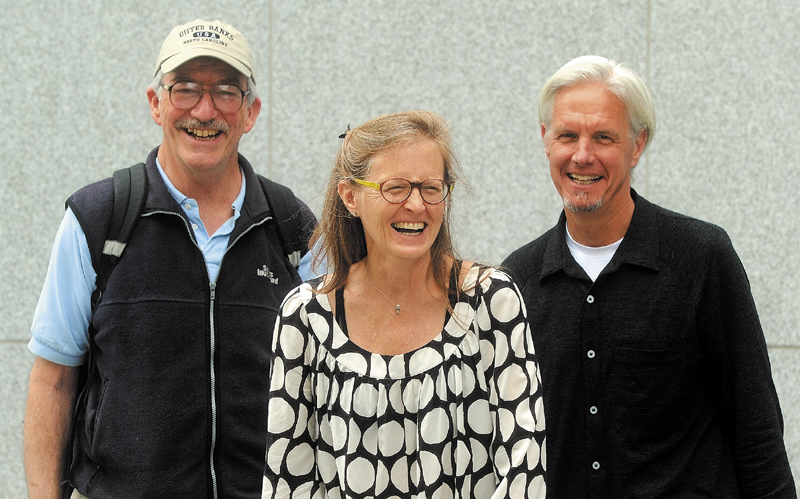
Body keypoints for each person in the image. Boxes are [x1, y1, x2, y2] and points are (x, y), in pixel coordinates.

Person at [24, 19, 316, 499]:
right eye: (185, 89)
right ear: (156, 103)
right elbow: (53, 380)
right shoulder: (99, 220)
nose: (205, 110)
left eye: (226, 91)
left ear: (250, 112)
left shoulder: (294, 228)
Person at [503, 55, 796, 498]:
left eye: (603, 137)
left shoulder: (701, 257)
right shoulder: (517, 281)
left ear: (637, 145)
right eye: (567, 135)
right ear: (545, 139)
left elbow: (755, 426)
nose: (582, 155)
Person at [262, 111, 546, 499]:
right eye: (395, 188)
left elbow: (525, 467)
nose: (416, 205)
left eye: (431, 188)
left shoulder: (490, 301)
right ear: (351, 197)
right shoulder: (306, 316)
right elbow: (288, 478)